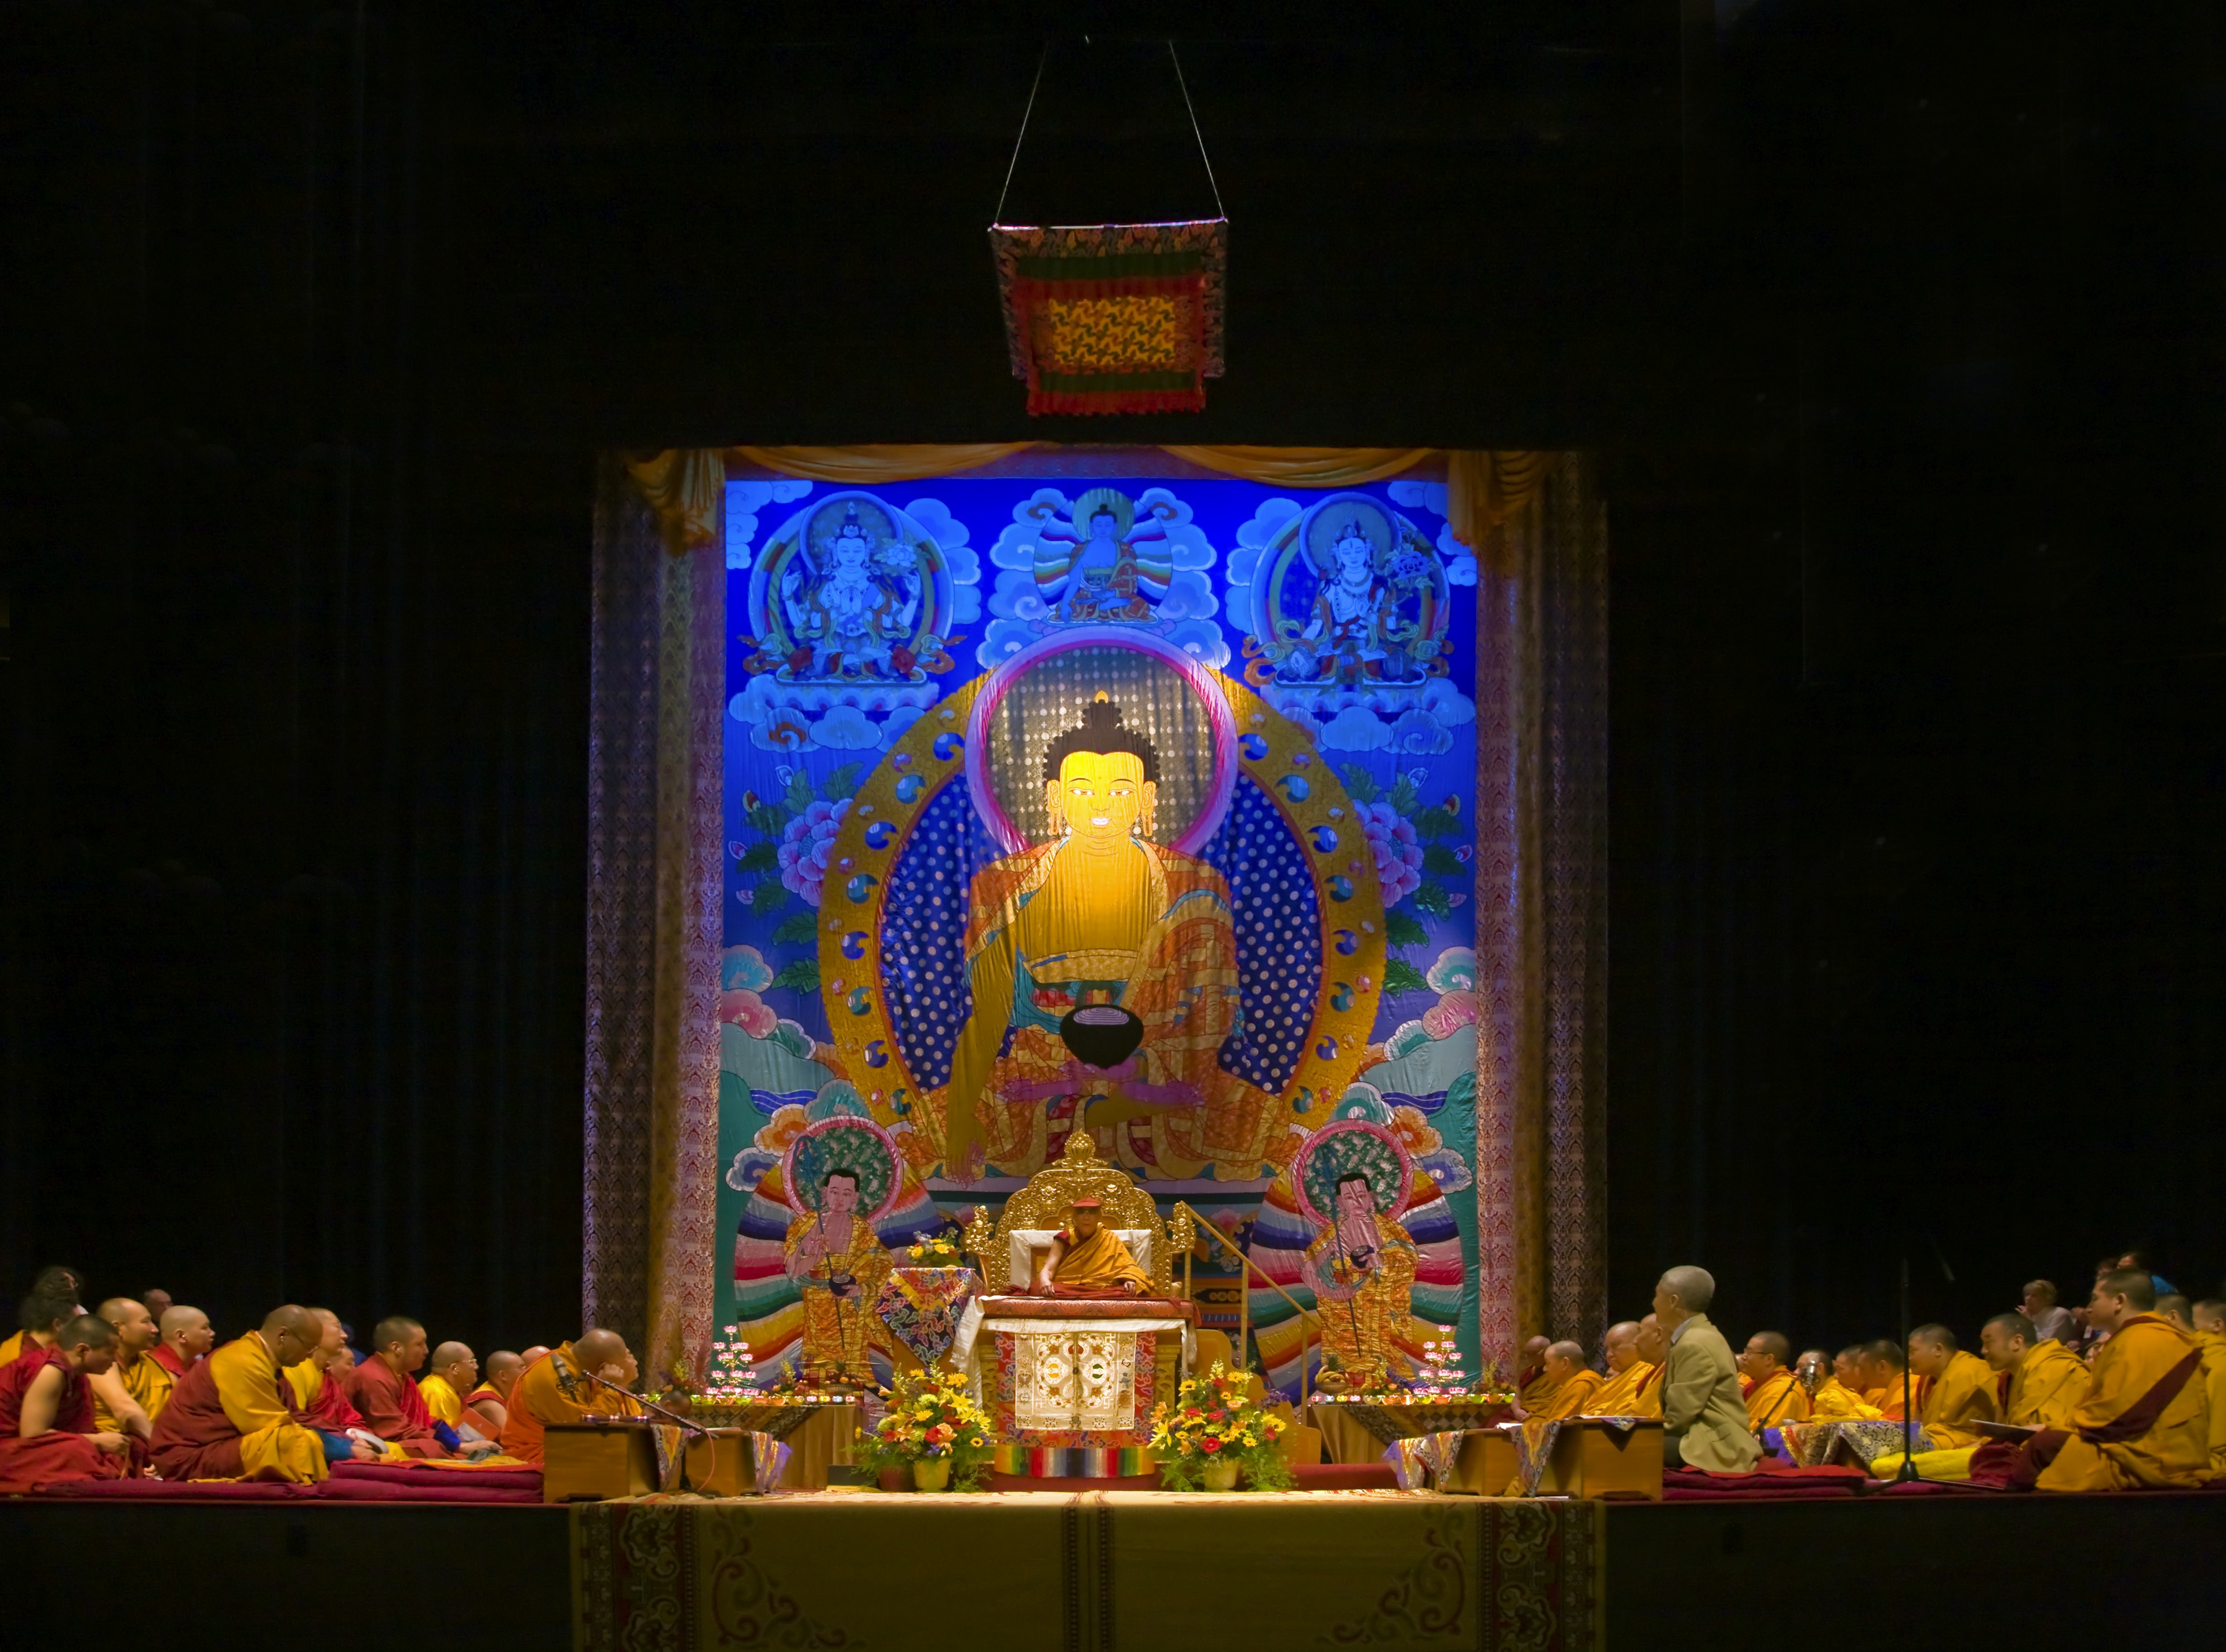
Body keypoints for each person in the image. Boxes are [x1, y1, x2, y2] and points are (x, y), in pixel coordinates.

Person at [938, 693, 1263, 1180]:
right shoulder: (1003, 885)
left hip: (1156, 1075)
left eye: (1120, 790)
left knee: (1255, 1120)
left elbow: (1210, 1020)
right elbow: (988, 1018)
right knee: (935, 1123)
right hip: (1042, 1070)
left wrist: (1132, 1071)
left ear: (1148, 799)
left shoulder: (1194, 884)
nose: (1101, 806)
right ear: (1054, 797)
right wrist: (962, 1118)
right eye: (1084, 789)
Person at [2027, 1268, 2210, 1491]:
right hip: (2142, 1445)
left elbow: (2117, 1416)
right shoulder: (2132, 1338)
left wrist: (2052, 1427)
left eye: (2095, 1298)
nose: (2090, 1307)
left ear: (2119, 1301)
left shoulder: (2144, 1339)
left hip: (2153, 1460)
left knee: (2045, 1446)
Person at [149, 1305, 369, 1482]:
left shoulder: (269, 1364)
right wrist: (345, 1450)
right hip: (189, 1457)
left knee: (301, 1437)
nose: (310, 1354)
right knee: (287, 1443)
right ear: (283, 1336)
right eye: (308, 1347)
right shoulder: (241, 1360)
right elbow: (269, 1428)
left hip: (224, 1446)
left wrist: (339, 1438)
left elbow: (296, 1416)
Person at [1300, 1171, 1420, 1387]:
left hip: (1382, 1313)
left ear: (1370, 1197)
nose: (1356, 1202)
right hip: (1346, 1315)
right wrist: (1332, 1292)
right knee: (1345, 1373)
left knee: (1390, 1372)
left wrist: (1382, 1262)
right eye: (1349, 1197)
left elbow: (1409, 1264)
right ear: (1339, 1202)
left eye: (1361, 1195)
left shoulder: (1390, 1230)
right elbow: (1308, 1269)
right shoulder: (1333, 1234)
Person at [0, 1314, 137, 1491]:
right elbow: (33, 1434)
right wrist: (96, 1441)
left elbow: (76, 1429)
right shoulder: (50, 1371)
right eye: (110, 1352)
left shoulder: (76, 1374)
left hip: (34, 1449)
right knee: (77, 1450)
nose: (114, 1360)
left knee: (123, 1448)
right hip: (10, 1450)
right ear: (83, 1350)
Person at [784, 1167, 896, 1385]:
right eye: (834, 1192)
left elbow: (882, 1263)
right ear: (825, 1192)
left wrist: (860, 1289)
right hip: (817, 1306)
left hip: (850, 1309)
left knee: (851, 1371)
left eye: (846, 1194)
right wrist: (813, 1259)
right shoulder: (805, 1225)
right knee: (817, 1370)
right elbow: (792, 1271)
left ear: (855, 1198)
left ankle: (854, 1392)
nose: (839, 1199)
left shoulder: (862, 1230)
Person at [1653, 1265, 1759, 1472]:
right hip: (1705, 1436)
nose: (1653, 1303)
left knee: (1628, 1448)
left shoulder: (1694, 1343)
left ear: (1673, 1301)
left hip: (1715, 1445)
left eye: (1657, 1295)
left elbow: (1680, 1416)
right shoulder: (1701, 1334)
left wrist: (1644, 1435)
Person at [498, 1330, 642, 1466]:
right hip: (535, 1453)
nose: (633, 1362)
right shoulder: (554, 1377)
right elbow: (585, 1430)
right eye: (627, 1358)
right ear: (603, 1366)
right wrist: (610, 1388)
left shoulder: (577, 1364)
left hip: (565, 1444)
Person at [351, 1317, 449, 1457]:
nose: (426, 1351)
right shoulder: (373, 1377)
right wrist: (451, 1443)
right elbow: (393, 1429)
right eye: (420, 1344)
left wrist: (455, 1440)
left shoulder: (404, 1377)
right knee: (430, 1448)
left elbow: (425, 1419)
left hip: (400, 1438)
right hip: (375, 1443)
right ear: (397, 1348)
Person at [1984, 1311, 2087, 1431]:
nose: (1984, 1351)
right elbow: (2004, 1429)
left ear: (2016, 1342)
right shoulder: (2006, 1380)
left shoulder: (2054, 1366)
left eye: (1988, 1343)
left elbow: (2050, 1431)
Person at [1908, 1324, 2001, 1448]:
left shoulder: (1973, 1371)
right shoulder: (1926, 1381)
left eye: (1912, 1351)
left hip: (1970, 1443)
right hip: (1936, 1438)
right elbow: (1917, 1423)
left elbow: (2002, 1420)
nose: (1908, 1358)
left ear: (1938, 1350)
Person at [1035, 1196, 1151, 1296]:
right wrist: (1045, 1280)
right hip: (1070, 1286)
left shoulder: (1110, 1238)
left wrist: (1129, 1279)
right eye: (1081, 1212)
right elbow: (1049, 1269)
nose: (1086, 1217)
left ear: (1099, 1216)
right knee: (1036, 1288)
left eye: (1092, 1212)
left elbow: (1127, 1266)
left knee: (1131, 1290)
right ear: (1074, 1217)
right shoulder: (1064, 1238)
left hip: (1101, 1287)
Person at [88, 1297, 168, 1436]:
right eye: (145, 1322)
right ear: (117, 1328)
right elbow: (123, 1407)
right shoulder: (100, 1364)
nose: (155, 1329)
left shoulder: (148, 1363)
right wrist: (161, 1451)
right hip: (115, 1447)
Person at [283, 1309, 369, 1434]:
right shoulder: (297, 1368)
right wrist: (346, 1445)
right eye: (337, 1327)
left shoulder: (325, 1374)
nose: (344, 1335)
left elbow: (348, 1418)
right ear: (314, 1329)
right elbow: (297, 1423)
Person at [1737, 1332, 1811, 1430]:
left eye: (1750, 1352)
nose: (1744, 1357)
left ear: (1769, 1359)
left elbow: (1769, 1434)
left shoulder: (1785, 1388)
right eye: (1745, 1351)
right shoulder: (1753, 1385)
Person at [1586, 1322, 1657, 1415]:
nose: (1609, 1355)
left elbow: (1632, 1412)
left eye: (1615, 1346)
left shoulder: (1649, 1372)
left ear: (1638, 1343)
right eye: (1607, 1349)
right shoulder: (1621, 1378)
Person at [0, 1288, 79, 1371]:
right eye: (77, 1325)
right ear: (58, 1325)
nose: (81, 1332)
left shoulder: (22, 1339)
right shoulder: (25, 1361)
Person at [1527, 1341, 1602, 1420]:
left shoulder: (1583, 1385)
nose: (1545, 1369)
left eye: (1548, 1364)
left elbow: (1558, 1427)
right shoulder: (1572, 1383)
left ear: (1565, 1363)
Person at [420, 1341, 481, 1432]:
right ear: (454, 1368)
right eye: (472, 1362)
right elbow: (440, 1436)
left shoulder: (450, 1389)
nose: (476, 1367)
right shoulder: (436, 1392)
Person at [1808, 1346, 1883, 1420]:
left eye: (1840, 1369)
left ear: (1858, 1369)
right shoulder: (1845, 1394)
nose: (1835, 1376)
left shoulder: (1877, 1394)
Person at [467, 1350, 524, 1438]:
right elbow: (514, 1438)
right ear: (503, 1375)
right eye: (522, 1368)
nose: (526, 1372)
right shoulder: (489, 1403)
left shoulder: (504, 1394)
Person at [150, 1305, 215, 1381]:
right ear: (181, 1336)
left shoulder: (199, 1366)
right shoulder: (155, 1368)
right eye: (205, 1328)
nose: (212, 1333)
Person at [1856, 1338, 1911, 1419]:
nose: (1859, 1375)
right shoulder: (1893, 1390)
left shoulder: (1908, 1391)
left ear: (1882, 1367)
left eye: (1862, 1368)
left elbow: (1898, 1429)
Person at [2021, 1280, 2075, 1348]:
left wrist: (2030, 1323)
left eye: (2034, 1296)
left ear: (2046, 1298)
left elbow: (2047, 1344)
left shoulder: (2060, 1314)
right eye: (2027, 1295)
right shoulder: (2030, 1315)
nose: (2028, 1298)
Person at [1515, 1336, 1556, 1410]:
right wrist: (1517, 1410)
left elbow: (1554, 1402)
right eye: (1528, 1354)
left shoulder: (1556, 1372)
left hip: (1541, 1413)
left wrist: (1532, 1413)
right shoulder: (1527, 1373)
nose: (1530, 1357)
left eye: (1534, 1353)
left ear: (1547, 1351)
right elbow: (1517, 1399)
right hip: (1522, 1411)